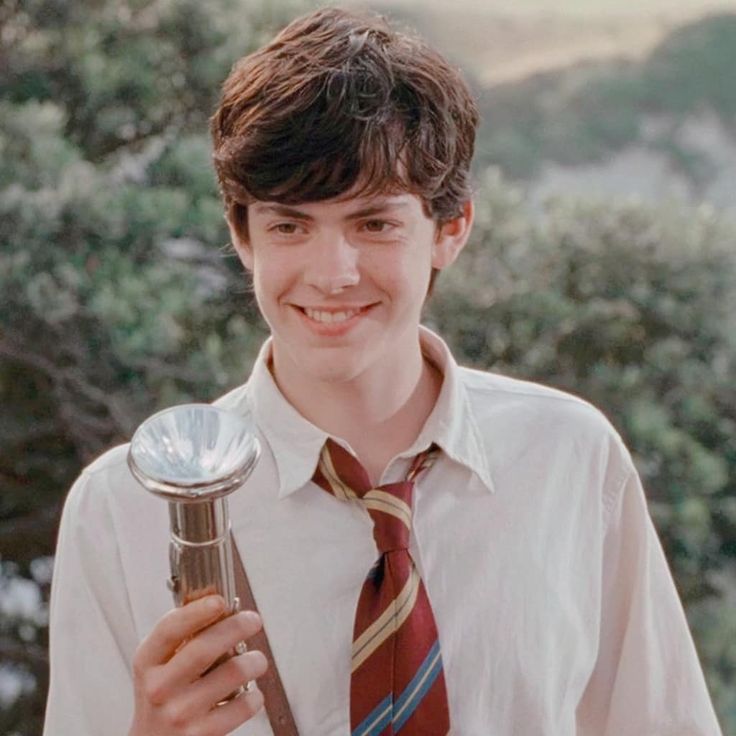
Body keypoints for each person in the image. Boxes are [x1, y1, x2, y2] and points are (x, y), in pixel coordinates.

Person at [44, 7, 723, 736]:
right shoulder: (123, 510)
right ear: (242, 236)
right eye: (290, 225)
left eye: (374, 223)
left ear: (451, 228)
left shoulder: (571, 458)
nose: (331, 274)